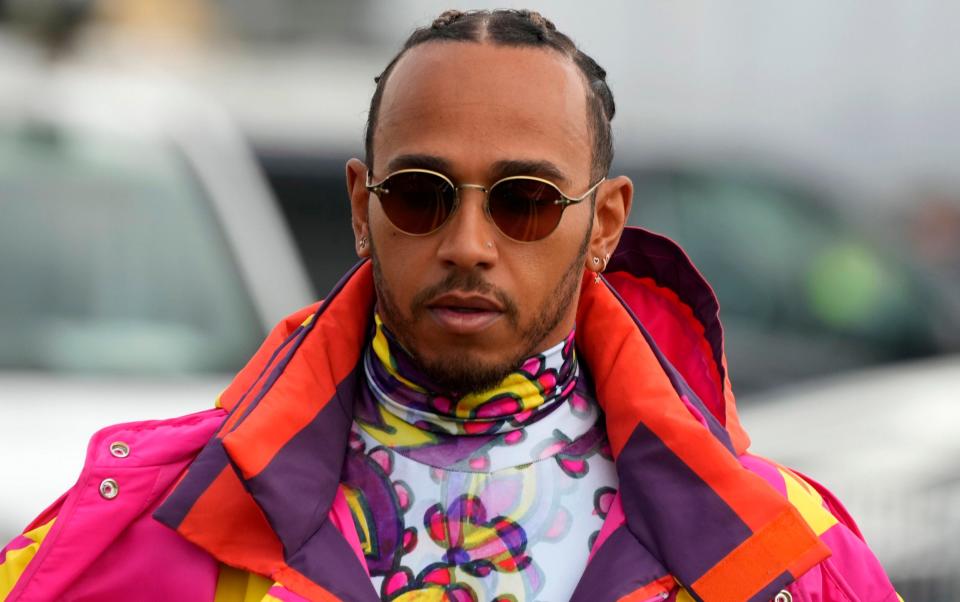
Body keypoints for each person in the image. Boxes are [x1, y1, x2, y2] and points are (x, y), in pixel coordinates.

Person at [1, 9, 898, 602]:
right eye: (423, 194)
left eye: (525, 201)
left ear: (604, 224)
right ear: (363, 208)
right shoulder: (132, 530)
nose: (469, 242)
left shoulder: (791, 557)